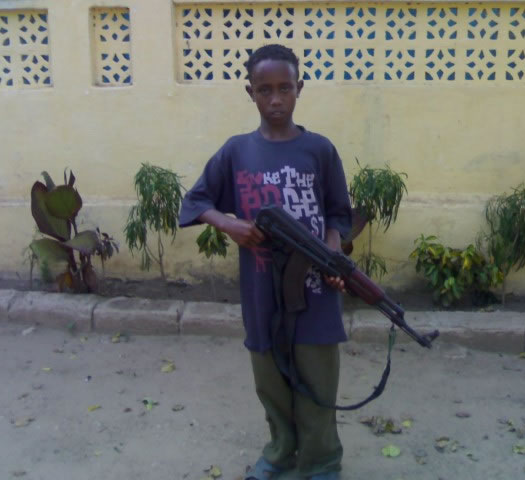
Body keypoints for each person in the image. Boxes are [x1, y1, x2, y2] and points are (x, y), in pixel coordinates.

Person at [179, 44, 352, 480]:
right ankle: (280, 451)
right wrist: (229, 224)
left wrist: (332, 251)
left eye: (285, 88)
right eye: (265, 90)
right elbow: (195, 200)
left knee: (317, 377)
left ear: (299, 89)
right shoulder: (237, 151)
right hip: (261, 290)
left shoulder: (320, 149)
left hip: (315, 288)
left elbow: (339, 214)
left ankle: (321, 460)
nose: (276, 99)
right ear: (250, 92)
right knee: (270, 377)